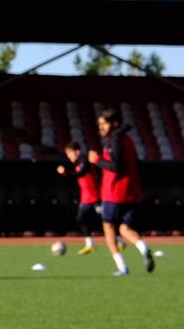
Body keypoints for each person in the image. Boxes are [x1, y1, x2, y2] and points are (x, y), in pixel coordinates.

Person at [92, 109, 155, 275]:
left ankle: (122, 267)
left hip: (114, 192)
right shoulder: (127, 140)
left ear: (114, 124)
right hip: (131, 192)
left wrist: (96, 160)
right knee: (124, 228)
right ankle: (143, 247)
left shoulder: (115, 140)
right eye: (99, 124)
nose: (101, 127)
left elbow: (115, 167)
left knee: (108, 228)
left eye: (104, 123)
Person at [56, 141, 102, 254]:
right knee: (81, 219)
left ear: (78, 151)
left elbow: (81, 173)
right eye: (67, 154)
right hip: (86, 198)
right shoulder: (78, 162)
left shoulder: (84, 160)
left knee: (107, 219)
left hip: (96, 197)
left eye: (70, 153)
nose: (69, 156)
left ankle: (121, 240)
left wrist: (65, 173)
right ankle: (90, 244)